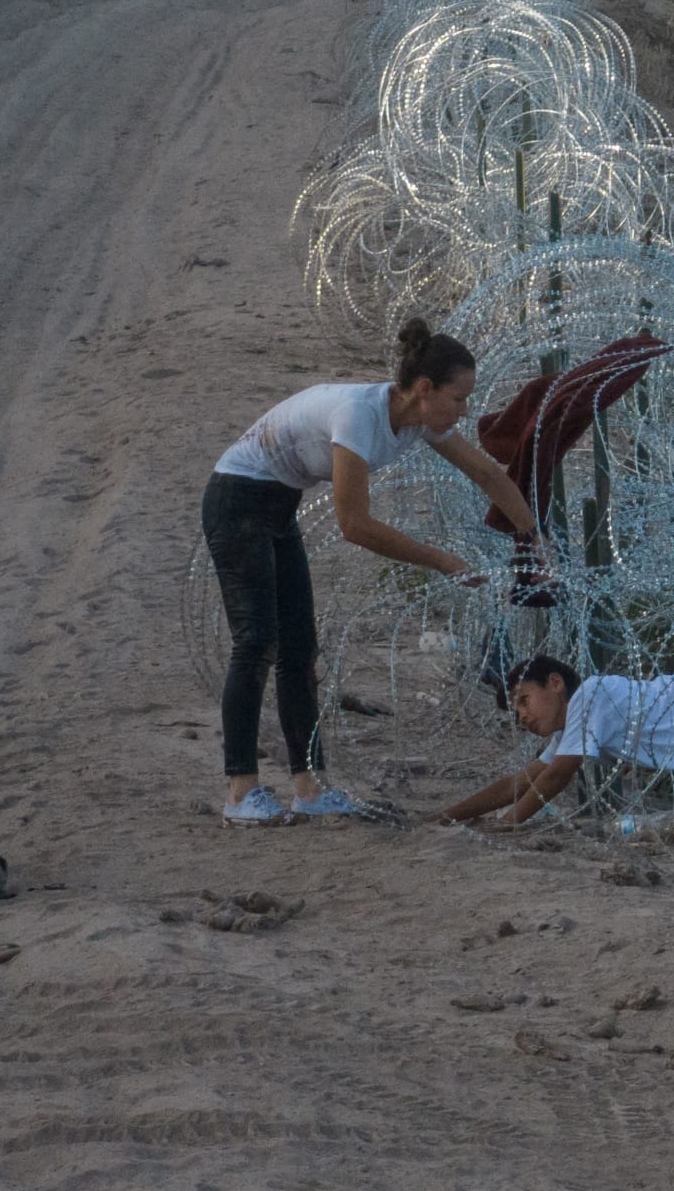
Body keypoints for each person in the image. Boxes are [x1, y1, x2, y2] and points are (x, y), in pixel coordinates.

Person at [203, 319, 539, 825]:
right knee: (256, 641)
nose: (465, 410)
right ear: (424, 389)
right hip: (237, 498)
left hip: (276, 504)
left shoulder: (423, 420)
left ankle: (309, 788)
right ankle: (240, 793)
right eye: (459, 397)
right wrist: (443, 562)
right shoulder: (359, 416)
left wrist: (534, 538)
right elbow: (354, 525)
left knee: (299, 649)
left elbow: (488, 473)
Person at [434, 651, 674, 826]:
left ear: (555, 684)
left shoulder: (589, 695)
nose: (522, 716)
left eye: (524, 700)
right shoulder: (576, 725)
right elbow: (521, 781)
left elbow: (557, 778)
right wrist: (448, 816)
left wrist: (508, 825)